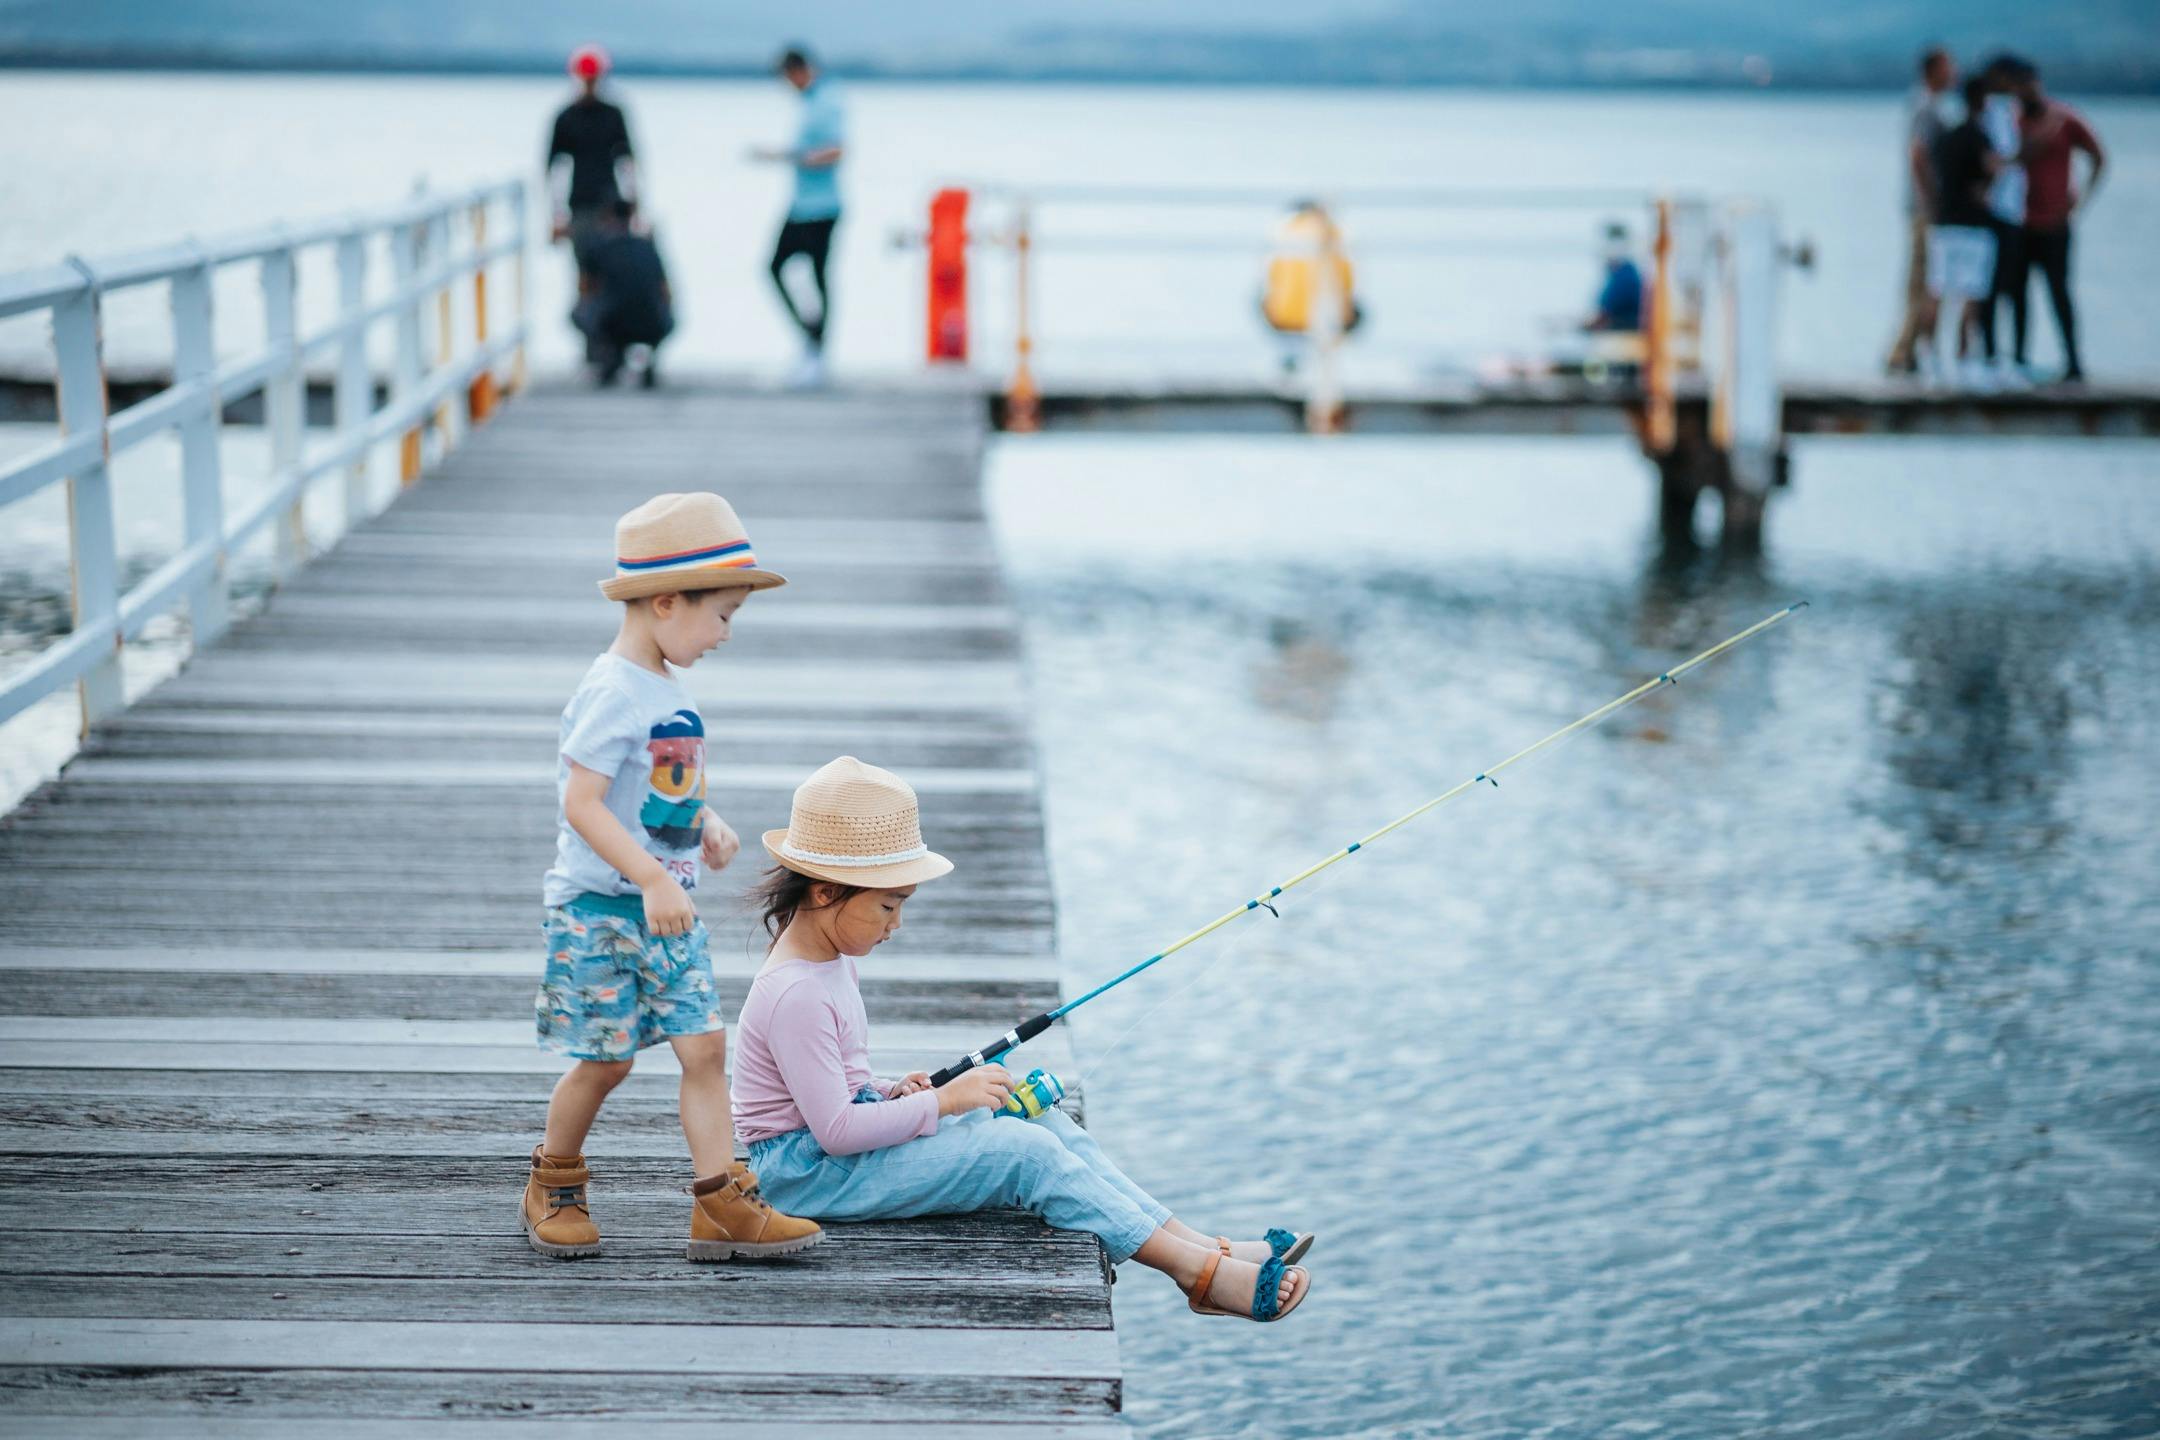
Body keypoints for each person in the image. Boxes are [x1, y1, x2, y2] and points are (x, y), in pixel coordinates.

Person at [731, 757, 1316, 1323]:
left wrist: (891, 1091)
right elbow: (832, 1133)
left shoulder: (828, 961)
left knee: (1045, 1123)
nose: (896, 924)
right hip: (807, 1179)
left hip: (832, 1156)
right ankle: (1198, 1277)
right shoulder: (797, 993)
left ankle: (1200, 1246)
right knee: (1023, 1153)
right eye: (888, 905)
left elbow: (836, 1089)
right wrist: (942, 1101)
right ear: (826, 893)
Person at [523, 493, 823, 1263]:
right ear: (664, 603)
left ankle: (721, 1201)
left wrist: (705, 821)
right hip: (600, 908)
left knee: (705, 1050)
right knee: (606, 1060)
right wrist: (655, 879)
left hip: (667, 908)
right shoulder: (612, 691)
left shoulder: (663, 687)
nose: (725, 634)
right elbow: (582, 803)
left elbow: (655, 786)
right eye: (720, 615)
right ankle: (554, 1180)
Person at [2007, 58, 2105, 383]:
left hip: (2055, 224)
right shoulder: (2010, 121)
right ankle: (2018, 360)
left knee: (2059, 293)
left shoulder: (2064, 119)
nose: (2025, 93)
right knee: (2017, 294)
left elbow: (2098, 157)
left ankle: (2073, 362)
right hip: (2018, 222)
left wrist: (2081, 200)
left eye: (2029, 85)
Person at [752, 46, 844, 388]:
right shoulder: (807, 101)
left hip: (824, 206)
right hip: (801, 204)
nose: (788, 85)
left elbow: (837, 150)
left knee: (819, 276)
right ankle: (809, 338)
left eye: (788, 77)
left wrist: (791, 157)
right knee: (775, 267)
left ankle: (818, 351)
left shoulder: (827, 100)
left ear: (800, 70)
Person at [1927, 77, 2002, 388]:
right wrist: (1988, 187)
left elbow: (1927, 164)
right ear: (1982, 102)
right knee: (1971, 295)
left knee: (1937, 290)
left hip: (1944, 222)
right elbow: (1994, 168)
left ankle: (1928, 356)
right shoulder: (1980, 136)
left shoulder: (1945, 137)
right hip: (1973, 225)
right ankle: (1963, 360)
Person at [1887, 48, 1955, 377]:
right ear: (1933, 70)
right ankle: (1903, 352)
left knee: (1924, 279)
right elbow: (1917, 155)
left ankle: (1910, 351)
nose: (1953, 73)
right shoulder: (1925, 108)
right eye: (1948, 66)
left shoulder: (1925, 105)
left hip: (1921, 206)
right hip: (1924, 209)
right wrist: (1932, 200)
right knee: (1921, 279)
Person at [547, 45, 638, 292]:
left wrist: (635, 206)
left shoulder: (613, 114)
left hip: (611, 208)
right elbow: (554, 169)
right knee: (585, 273)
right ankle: (590, 325)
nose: (590, 83)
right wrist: (556, 217)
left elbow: (628, 162)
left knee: (614, 270)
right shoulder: (566, 117)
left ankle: (606, 326)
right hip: (579, 206)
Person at [572, 201, 675, 389]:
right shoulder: (648, 246)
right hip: (653, 324)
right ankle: (649, 359)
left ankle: (610, 356)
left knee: (580, 312)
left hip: (613, 324)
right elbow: (666, 292)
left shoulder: (597, 246)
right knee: (661, 309)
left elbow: (585, 290)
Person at [1977, 57, 2030, 386]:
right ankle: (1992, 356)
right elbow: (1994, 158)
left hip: (2013, 213)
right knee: (1994, 287)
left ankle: (2013, 356)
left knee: (2010, 287)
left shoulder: (2012, 112)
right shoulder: (1996, 113)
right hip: (1997, 213)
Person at [1259, 199, 1360, 373]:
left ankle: (1289, 360)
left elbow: (1268, 277)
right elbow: (1351, 282)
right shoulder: (1338, 233)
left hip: (1284, 318)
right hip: (1333, 318)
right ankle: (1331, 359)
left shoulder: (1283, 231)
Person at [1585, 222, 1645, 334]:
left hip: (1623, 337)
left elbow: (1603, 317)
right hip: (1617, 335)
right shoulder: (1617, 275)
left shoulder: (1626, 276)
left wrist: (1584, 326)